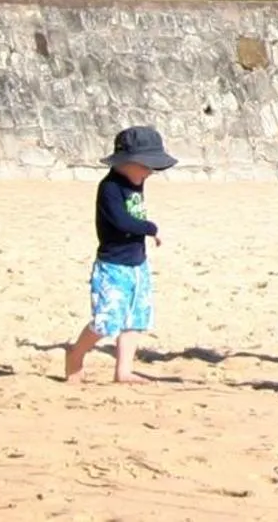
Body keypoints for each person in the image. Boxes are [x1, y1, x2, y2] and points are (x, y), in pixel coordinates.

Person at [65, 125, 175, 384]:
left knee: (135, 319)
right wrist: (151, 228)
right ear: (125, 162)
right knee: (105, 321)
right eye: (146, 166)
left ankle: (123, 371)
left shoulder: (136, 181)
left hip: (137, 264)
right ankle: (75, 355)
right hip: (113, 266)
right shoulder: (110, 188)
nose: (150, 172)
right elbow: (122, 221)